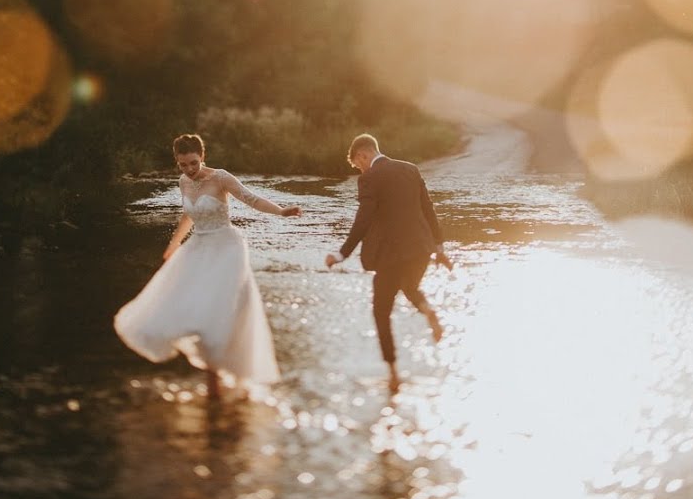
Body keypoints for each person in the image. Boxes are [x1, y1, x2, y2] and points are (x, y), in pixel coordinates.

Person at [114, 133, 301, 399]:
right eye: (183, 165)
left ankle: (221, 381)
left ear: (202, 157)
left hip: (226, 248)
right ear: (177, 163)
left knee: (219, 313)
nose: (189, 170)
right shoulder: (183, 182)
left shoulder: (221, 178)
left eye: (193, 163)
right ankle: (214, 381)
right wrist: (173, 245)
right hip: (198, 248)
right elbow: (187, 216)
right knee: (192, 310)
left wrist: (281, 211)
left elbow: (252, 199)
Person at [325, 133, 451, 391]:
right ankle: (428, 311)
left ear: (363, 155)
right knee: (410, 287)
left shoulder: (370, 177)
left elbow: (364, 219)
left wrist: (342, 253)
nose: (359, 168)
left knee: (381, 312)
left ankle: (393, 374)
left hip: (391, 254)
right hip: (421, 249)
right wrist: (439, 248)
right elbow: (428, 208)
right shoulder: (410, 169)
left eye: (357, 164)